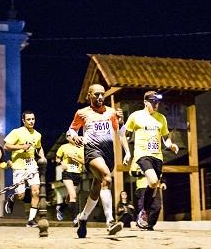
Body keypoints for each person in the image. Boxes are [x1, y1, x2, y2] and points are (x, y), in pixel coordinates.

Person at [66, 83, 131, 238]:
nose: (100, 97)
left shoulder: (111, 112)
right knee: (107, 178)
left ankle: (83, 217)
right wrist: (75, 137)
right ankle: (110, 221)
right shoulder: (82, 113)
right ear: (89, 95)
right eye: (96, 94)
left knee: (96, 189)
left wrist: (127, 151)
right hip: (92, 153)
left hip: (109, 155)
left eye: (102, 94)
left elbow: (120, 132)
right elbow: (71, 130)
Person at [124, 91, 179, 230]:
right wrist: (127, 153)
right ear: (145, 102)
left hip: (157, 157)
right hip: (142, 154)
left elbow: (165, 137)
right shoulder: (135, 116)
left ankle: (144, 213)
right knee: (154, 181)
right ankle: (144, 213)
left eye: (157, 102)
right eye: (153, 102)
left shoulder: (162, 118)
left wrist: (171, 145)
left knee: (154, 185)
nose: (156, 105)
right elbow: (124, 135)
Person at [3, 110, 46, 228]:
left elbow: (39, 147)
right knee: (21, 196)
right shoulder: (17, 132)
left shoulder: (37, 134)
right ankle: (12, 198)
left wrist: (42, 157)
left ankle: (31, 220)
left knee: (36, 191)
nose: (31, 121)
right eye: (28, 119)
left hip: (32, 166)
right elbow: (6, 146)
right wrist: (22, 147)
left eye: (33, 119)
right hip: (19, 167)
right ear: (23, 121)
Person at [55, 138, 84, 225]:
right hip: (67, 173)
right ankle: (75, 218)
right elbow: (57, 158)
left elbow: (84, 161)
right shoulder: (63, 147)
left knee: (69, 198)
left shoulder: (81, 147)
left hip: (77, 174)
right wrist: (61, 163)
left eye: (72, 135)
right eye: (68, 136)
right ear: (67, 138)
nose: (70, 137)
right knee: (73, 195)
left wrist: (75, 157)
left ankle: (61, 208)